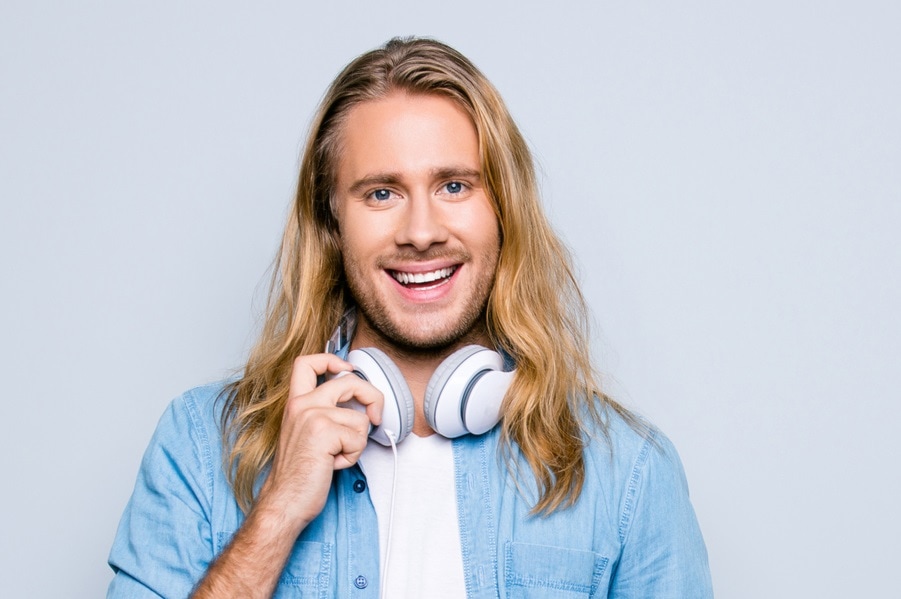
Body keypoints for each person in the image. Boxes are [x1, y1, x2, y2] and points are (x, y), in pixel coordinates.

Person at [107, 37, 713, 598]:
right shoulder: (198, 445)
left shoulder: (628, 472)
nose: (421, 233)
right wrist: (280, 508)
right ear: (331, 224)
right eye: (381, 193)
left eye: (454, 186)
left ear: (503, 210)